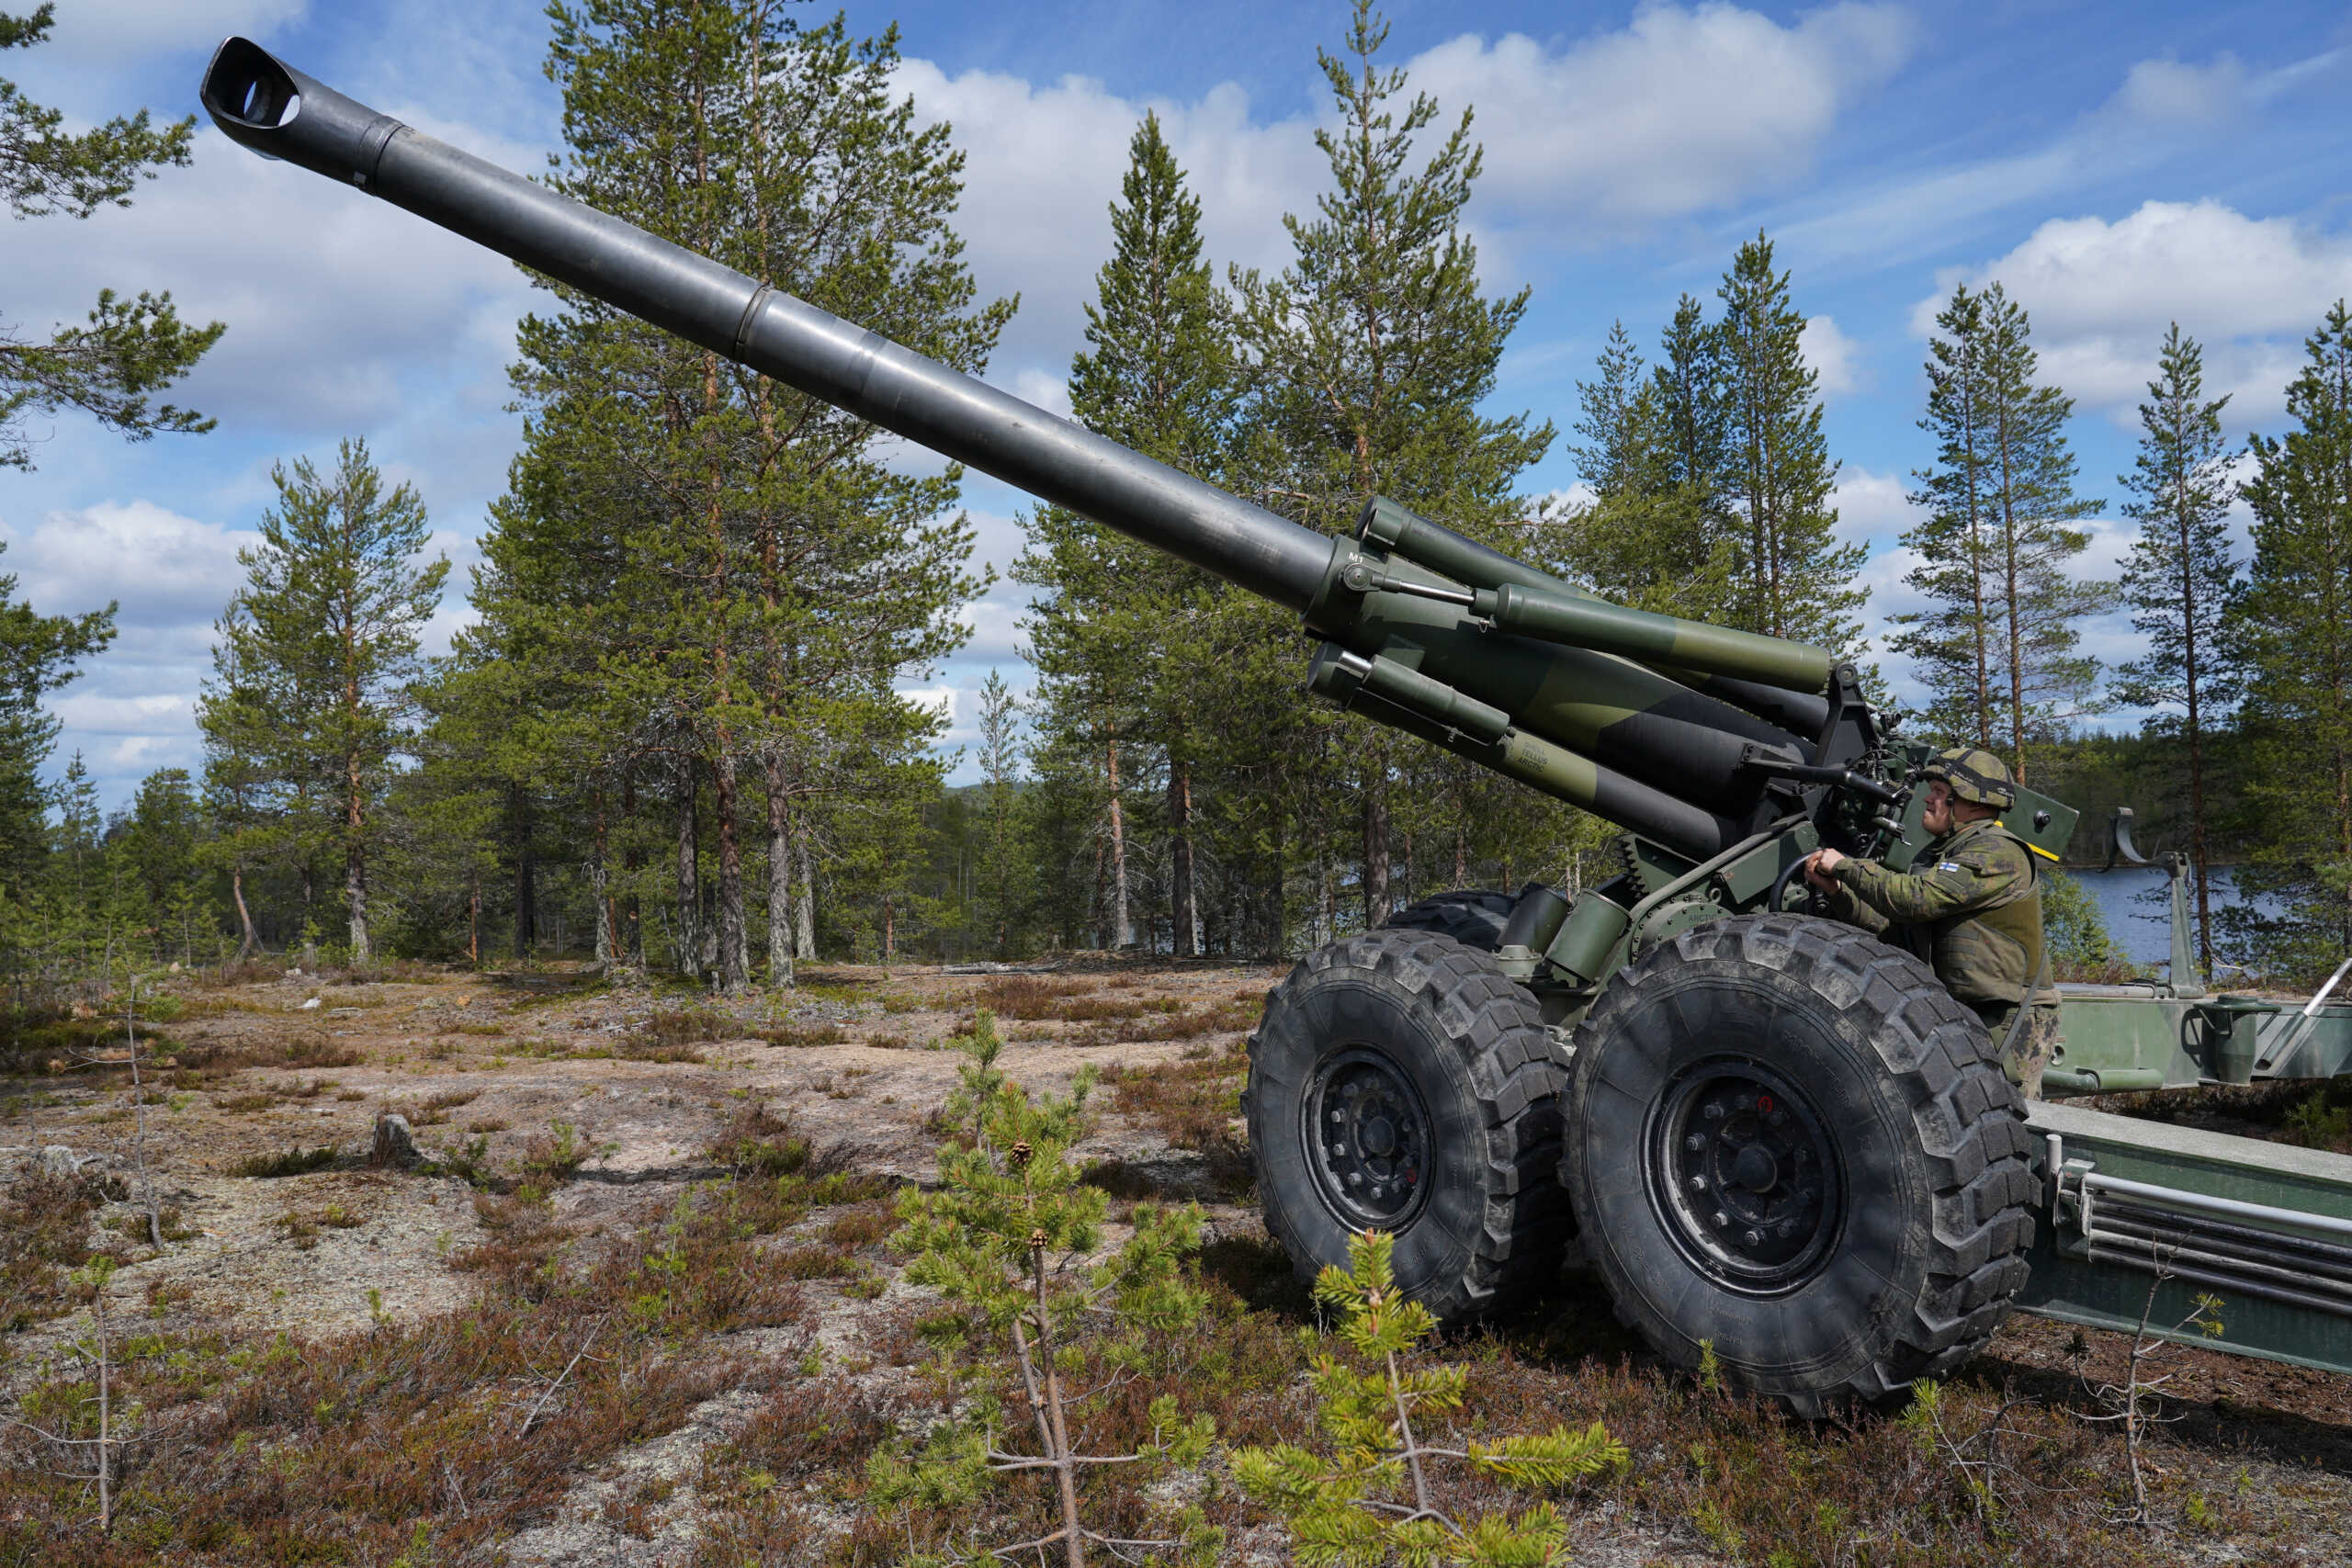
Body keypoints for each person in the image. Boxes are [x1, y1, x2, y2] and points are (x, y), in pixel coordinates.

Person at [1802, 746, 2062, 1097]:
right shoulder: (1941, 853)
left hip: (2007, 1018)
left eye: (1940, 793)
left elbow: (1914, 899)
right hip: (1963, 1011)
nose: (1927, 800)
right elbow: (1894, 928)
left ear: (1970, 804)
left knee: (2001, 1113)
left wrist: (1846, 866)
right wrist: (1837, 893)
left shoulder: (1999, 852)